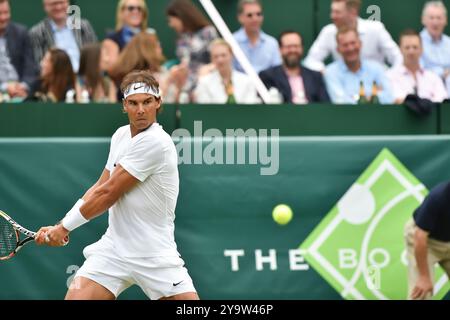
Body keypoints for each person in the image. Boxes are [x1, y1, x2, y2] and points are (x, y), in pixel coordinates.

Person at [35, 70, 199, 301]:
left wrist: (64, 229)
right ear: (124, 105)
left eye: (147, 102)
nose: (140, 109)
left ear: (158, 103)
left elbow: (108, 193)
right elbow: (100, 185)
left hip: (153, 255)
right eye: (133, 103)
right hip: (113, 250)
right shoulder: (121, 135)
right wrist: (61, 224)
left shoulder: (156, 142)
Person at [304, 0, 402, 72]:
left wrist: (387, 77)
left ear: (353, 12)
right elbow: (310, 61)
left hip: (376, 87)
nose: (332, 16)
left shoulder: (376, 28)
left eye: (337, 12)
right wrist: (329, 74)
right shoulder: (328, 31)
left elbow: (398, 58)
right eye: (332, 11)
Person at [404, 181, 450, 300]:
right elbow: (420, 236)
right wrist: (424, 277)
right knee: (421, 294)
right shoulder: (438, 197)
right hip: (425, 241)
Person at [324, 27, 394, 104]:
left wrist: (354, 97)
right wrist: (373, 96)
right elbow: (340, 101)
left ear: (360, 44)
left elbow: (389, 97)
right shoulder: (331, 72)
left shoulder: (377, 68)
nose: (350, 48)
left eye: (353, 43)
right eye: (345, 45)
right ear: (338, 49)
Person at [110, 32, 184, 103]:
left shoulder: (161, 73)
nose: (160, 49)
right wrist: (167, 82)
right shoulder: (127, 79)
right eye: (157, 46)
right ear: (147, 49)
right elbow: (151, 108)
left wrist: (178, 85)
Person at [259, 31, 330, 104]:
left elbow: (325, 105)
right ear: (280, 49)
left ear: (302, 48)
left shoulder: (315, 76)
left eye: (296, 46)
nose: (293, 50)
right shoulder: (268, 76)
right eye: (288, 47)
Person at [166, 0, 218, 96]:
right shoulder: (181, 38)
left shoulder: (208, 32)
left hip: (206, 83)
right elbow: (185, 63)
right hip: (185, 87)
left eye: (171, 20)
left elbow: (218, 60)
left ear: (180, 16)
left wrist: (208, 68)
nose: (171, 24)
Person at [29, 0, 97, 72]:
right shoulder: (37, 32)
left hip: (85, 76)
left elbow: (94, 55)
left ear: (68, 4)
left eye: (61, 2)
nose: (58, 7)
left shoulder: (83, 26)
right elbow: (39, 62)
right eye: (53, 4)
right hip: (56, 78)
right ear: (45, 7)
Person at [387, 29, 447, 104]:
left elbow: (441, 100)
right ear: (400, 50)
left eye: (415, 47)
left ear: (421, 49)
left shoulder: (433, 78)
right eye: (407, 47)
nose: (411, 51)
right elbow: (392, 99)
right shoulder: (389, 77)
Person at [194, 39, 259, 104]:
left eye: (223, 55)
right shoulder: (204, 83)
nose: (220, 60)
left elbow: (250, 108)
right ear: (211, 59)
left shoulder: (247, 81)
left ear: (231, 55)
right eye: (216, 56)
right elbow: (205, 109)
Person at [102, 0, 153, 75]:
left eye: (139, 8)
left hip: (147, 83)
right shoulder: (112, 38)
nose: (136, 11)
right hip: (122, 84)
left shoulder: (149, 36)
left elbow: (155, 64)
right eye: (131, 8)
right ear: (121, 12)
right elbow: (111, 69)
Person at [0, 0, 38, 100]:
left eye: (6, 12)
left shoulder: (21, 33)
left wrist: (24, 86)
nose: (3, 17)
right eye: (0, 13)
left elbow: (30, 67)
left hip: (21, 93)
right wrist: (4, 87)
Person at [233, 0, 281, 74]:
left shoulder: (272, 43)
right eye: (250, 15)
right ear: (240, 18)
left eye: (258, 14)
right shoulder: (231, 42)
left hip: (266, 84)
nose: (255, 19)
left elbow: (278, 72)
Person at [420, 1, 450, 83]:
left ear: (445, 21)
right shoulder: (416, 43)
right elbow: (419, 72)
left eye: (439, 18)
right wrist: (443, 73)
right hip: (428, 87)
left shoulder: (449, 42)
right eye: (431, 18)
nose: (435, 22)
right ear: (423, 20)